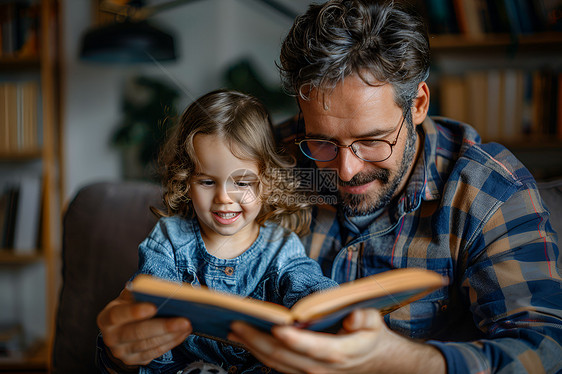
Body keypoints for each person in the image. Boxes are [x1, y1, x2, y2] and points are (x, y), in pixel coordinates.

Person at [97, 1, 562, 373]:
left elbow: (545, 349)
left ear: (417, 104)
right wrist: (121, 346)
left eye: (372, 141)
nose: (345, 169)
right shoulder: (264, 160)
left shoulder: (486, 190)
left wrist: (403, 363)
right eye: (322, 140)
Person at [96, 89, 338, 373]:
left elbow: (306, 284)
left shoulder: (281, 245)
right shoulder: (169, 239)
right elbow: (153, 293)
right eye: (208, 182)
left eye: (243, 183)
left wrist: (326, 308)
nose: (224, 197)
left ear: (267, 183)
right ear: (187, 181)